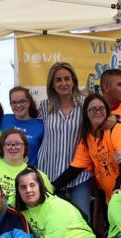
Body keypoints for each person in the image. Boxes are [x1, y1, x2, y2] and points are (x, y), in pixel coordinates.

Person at [53, 94, 121, 204]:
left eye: (101, 108)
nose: (98, 111)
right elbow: (74, 170)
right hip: (110, 199)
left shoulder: (118, 130)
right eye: (92, 109)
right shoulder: (87, 140)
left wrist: (117, 190)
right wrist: (52, 186)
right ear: (86, 114)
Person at [37, 62, 93, 218]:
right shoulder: (44, 107)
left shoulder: (85, 105)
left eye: (67, 79)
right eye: (58, 80)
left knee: (82, 221)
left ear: (74, 81)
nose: (63, 83)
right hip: (50, 174)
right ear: (52, 85)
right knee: (53, 220)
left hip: (79, 176)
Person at [1, 86, 44, 167]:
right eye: (14, 102)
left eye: (22, 101)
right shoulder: (4, 119)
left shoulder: (41, 125)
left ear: (29, 102)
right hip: (4, 172)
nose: (18, 105)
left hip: (29, 174)